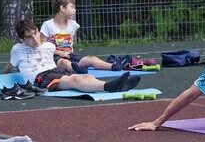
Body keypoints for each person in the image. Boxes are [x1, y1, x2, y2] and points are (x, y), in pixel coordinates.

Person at [10, 20, 140, 96]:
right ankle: (108, 87)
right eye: (29, 37)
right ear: (22, 39)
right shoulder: (17, 49)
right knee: (75, 80)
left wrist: (62, 54)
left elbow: (57, 52)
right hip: (41, 78)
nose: (35, 39)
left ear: (38, 31)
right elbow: (11, 65)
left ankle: (118, 87)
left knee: (87, 77)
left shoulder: (48, 45)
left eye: (35, 33)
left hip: (55, 71)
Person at [40, 0, 147, 72]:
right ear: (62, 8)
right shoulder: (48, 25)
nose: (75, 10)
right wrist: (59, 53)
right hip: (54, 58)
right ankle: (76, 69)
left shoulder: (73, 25)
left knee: (91, 59)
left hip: (71, 56)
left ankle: (113, 66)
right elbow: (42, 47)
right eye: (72, 7)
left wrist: (68, 54)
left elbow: (70, 44)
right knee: (64, 63)